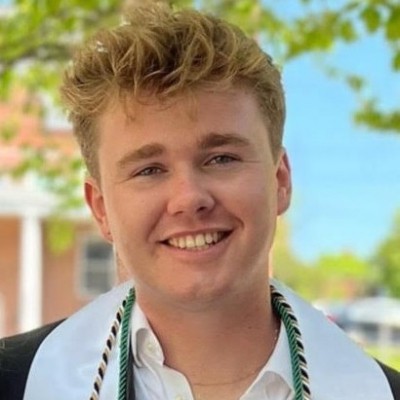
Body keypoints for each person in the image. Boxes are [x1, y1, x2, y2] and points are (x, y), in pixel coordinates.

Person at [1, 4, 399, 400]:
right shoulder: (17, 382)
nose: (189, 198)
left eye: (221, 158)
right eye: (149, 170)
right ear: (101, 208)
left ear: (279, 180)